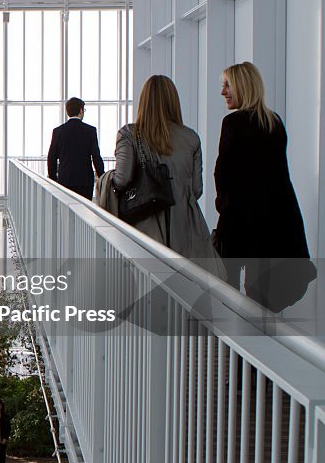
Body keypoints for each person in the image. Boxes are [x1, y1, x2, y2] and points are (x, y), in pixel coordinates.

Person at [214, 62, 314, 310]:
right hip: (276, 223)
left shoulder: (233, 123)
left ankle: (234, 347)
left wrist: (223, 210)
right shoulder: (273, 122)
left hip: (241, 223)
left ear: (243, 86)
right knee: (262, 301)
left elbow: (223, 176)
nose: (223, 92)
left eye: (228, 85)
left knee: (230, 294)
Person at [112, 75, 224, 276]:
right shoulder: (191, 137)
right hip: (187, 229)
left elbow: (121, 179)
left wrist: (105, 180)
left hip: (145, 227)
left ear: (144, 101)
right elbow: (197, 190)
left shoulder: (128, 134)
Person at [47, 97, 105, 200]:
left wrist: (53, 179)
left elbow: (51, 157)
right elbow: (96, 156)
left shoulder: (58, 131)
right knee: (84, 211)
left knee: (65, 211)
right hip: (85, 181)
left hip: (64, 180)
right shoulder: (90, 131)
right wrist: (102, 176)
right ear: (81, 110)